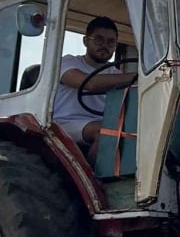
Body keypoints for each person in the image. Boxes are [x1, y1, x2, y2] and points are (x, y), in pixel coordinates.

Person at [54, 16, 136, 158]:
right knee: (106, 131)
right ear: (86, 41)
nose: (105, 45)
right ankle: (95, 172)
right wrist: (137, 76)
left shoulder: (115, 74)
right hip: (64, 122)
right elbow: (90, 84)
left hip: (100, 122)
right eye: (99, 39)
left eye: (111, 42)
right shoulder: (67, 62)